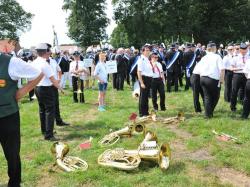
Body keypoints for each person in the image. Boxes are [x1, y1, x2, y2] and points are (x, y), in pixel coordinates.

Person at [0, 52, 43, 187]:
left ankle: (14, 183)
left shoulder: (11, 62)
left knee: (12, 154)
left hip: (7, 116)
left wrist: (23, 91)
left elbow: (38, 73)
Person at [33, 43, 63, 141]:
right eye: (48, 51)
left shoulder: (35, 62)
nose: (50, 52)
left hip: (37, 88)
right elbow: (52, 79)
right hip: (46, 88)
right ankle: (49, 135)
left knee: (42, 110)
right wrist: (60, 88)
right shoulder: (44, 63)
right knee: (50, 111)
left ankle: (45, 130)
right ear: (45, 52)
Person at [199, 42, 225, 118]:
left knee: (207, 97)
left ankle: (208, 114)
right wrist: (221, 80)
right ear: (214, 49)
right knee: (216, 97)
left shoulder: (204, 57)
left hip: (203, 78)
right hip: (212, 80)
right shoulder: (217, 57)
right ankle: (209, 112)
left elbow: (200, 68)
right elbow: (222, 69)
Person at [49, 56, 70, 126]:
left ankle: (58, 121)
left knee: (56, 104)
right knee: (48, 108)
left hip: (54, 85)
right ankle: (48, 127)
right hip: (44, 87)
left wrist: (59, 79)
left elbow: (59, 70)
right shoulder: (39, 62)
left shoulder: (53, 61)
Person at [230, 43, 249, 112]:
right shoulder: (235, 57)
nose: (244, 52)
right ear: (240, 50)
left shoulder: (248, 57)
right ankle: (233, 107)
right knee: (234, 91)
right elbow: (231, 68)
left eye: (245, 51)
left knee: (246, 91)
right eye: (242, 51)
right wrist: (240, 68)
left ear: (247, 50)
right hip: (237, 76)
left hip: (246, 75)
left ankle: (245, 107)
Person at [137, 45, 153, 117]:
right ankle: (142, 113)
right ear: (143, 51)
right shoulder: (141, 59)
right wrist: (142, 83)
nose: (148, 51)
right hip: (144, 79)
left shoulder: (147, 59)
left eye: (148, 50)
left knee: (146, 97)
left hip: (149, 79)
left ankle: (146, 112)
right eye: (146, 50)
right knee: (143, 97)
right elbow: (139, 72)